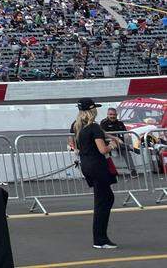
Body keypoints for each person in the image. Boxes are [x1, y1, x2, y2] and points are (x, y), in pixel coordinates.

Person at [72, 99, 119, 250]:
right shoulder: (93, 127)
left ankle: (100, 237)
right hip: (98, 167)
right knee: (103, 201)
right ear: (92, 111)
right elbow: (102, 150)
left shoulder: (79, 126)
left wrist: (111, 136)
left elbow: (98, 134)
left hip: (87, 166)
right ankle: (100, 239)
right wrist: (113, 144)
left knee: (105, 199)